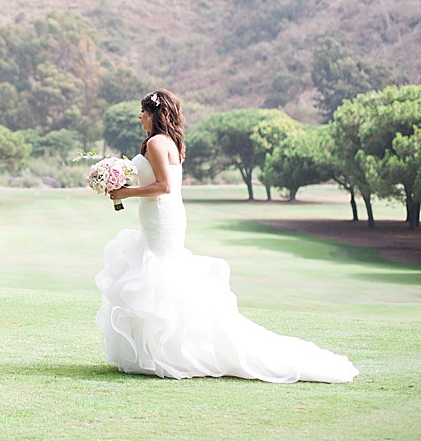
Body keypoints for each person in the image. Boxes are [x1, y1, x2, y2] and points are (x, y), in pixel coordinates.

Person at [94, 89, 358, 383]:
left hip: (162, 215)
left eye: (143, 111)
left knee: (160, 274)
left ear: (155, 114)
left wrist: (127, 192)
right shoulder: (166, 141)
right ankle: (156, 350)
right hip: (162, 216)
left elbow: (164, 185)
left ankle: (170, 351)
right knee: (157, 273)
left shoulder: (156, 142)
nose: (140, 116)